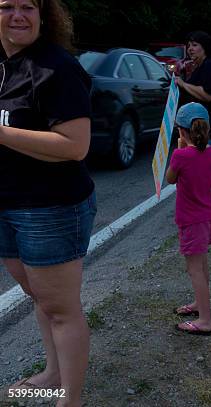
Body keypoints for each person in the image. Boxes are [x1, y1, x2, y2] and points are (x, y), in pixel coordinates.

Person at [0, 0, 96, 405]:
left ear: (44, 15)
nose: (18, 15)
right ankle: (53, 373)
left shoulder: (56, 67)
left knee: (60, 307)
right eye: (7, 6)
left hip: (50, 207)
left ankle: (68, 400)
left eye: (28, 6)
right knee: (40, 296)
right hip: (6, 204)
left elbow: (75, 146)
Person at [166, 102, 211, 335]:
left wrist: (177, 149)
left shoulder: (180, 156)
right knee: (202, 264)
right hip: (208, 217)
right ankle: (201, 304)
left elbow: (170, 179)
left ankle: (205, 320)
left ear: (181, 131)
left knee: (194, 269)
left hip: (190, 220)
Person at [176, 31, 211, 151]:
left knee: (207, 168)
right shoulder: (199, 67)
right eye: (189, 46)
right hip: (196, 131)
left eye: (194, 45)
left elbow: (208, 95)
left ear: (204, 47)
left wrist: (183, 84)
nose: (190, 49)